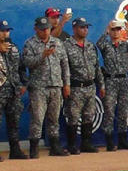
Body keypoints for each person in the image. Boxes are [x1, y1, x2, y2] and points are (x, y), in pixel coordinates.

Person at [22, 16, 70, 158]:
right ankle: (34, 148)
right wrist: (42, 55)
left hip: (56, 86)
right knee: (37, 118)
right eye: (42, 29)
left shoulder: (57, 42)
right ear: (36, 29)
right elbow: (27, 63)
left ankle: (55, 147)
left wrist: (66, 83)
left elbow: (64, 64)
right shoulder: (30, 44)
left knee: (54, 118)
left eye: (47, 29)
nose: (45, 32)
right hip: (38, 87)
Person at [62, 17, 103, 154]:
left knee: (89, 115)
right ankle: (72, 145)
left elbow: (97, 67)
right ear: (74, 28)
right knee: (73, 116)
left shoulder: (91, 45)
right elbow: (65, 67)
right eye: (82, 27)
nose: (85, 30)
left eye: (86, 27)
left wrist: (101, 85)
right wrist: (66, 85)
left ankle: (87, 144)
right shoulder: (67, 45)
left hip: (90, 86)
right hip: (75, 86)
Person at [97, 19, 128, 151]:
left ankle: (122, 140)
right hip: (110, 80)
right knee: (109, 111)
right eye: (113, 29)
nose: (116, 32)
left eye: (118, 29)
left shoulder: (125, 45)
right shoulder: (106, 45)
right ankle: (109, 141)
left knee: (123, 112)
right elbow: (99, 44)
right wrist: (106, 31)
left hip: (124, 80)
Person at [0, 19, 28, 159]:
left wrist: (23, 83)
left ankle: (15, 150)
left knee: (14, 121)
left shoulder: (14, 48)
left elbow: (21, 67)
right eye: (2, 31)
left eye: (7, 30)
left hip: (14, 90)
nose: (5, 33)